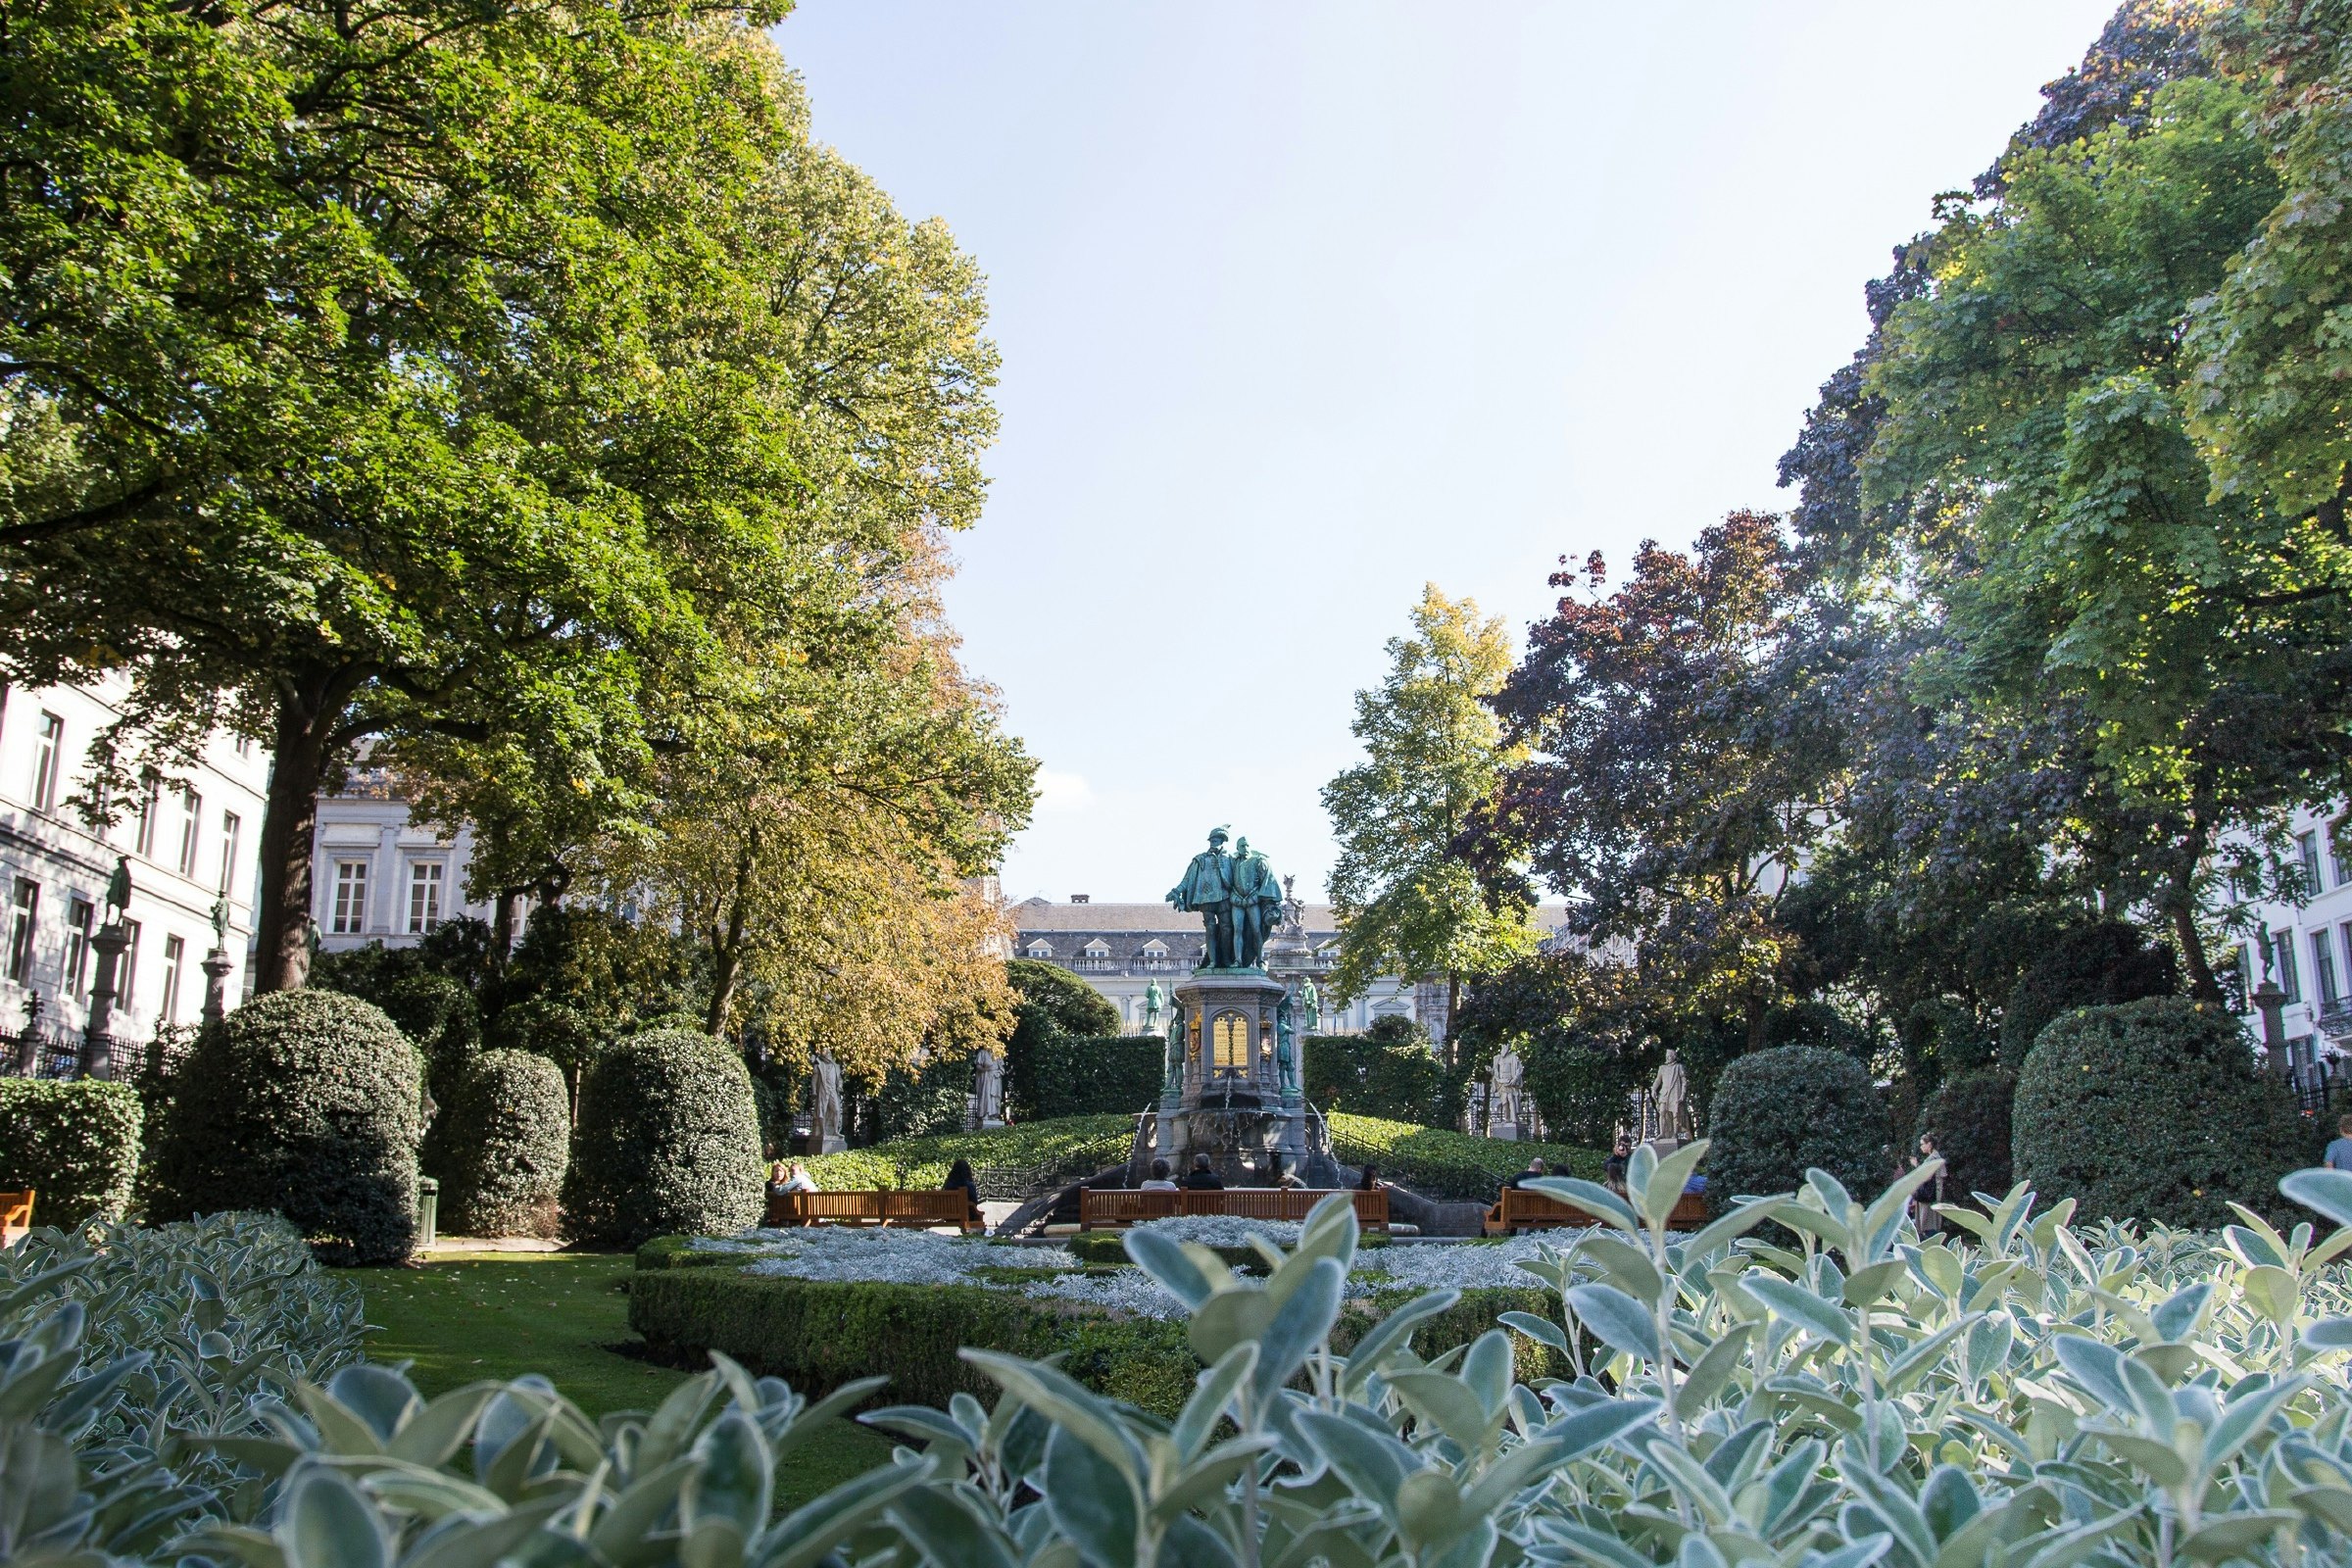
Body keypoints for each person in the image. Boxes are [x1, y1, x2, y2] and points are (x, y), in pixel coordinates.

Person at [1907, 1134, 1946, 1236]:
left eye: (1922, 1144)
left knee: (1928, 1225)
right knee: (1930, 1224)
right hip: (1931, 1197)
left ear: (1929, 1144)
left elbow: (1925, 1176)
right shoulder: (1935, 1157)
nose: (1921, 1147)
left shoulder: (1932, 1159)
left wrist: (1916, 1165)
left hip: (1928, 1198)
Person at [942, 1157, 982, 1221]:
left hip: (948, 1217)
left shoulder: (948, 1185)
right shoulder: (969, 1185)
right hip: (966, 1216)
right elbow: (974, 1202)